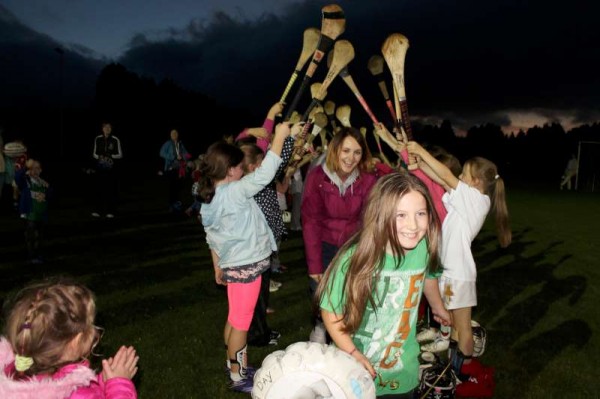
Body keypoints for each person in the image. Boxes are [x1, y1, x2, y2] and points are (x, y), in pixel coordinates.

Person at [317, 173, 451, 398]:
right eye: (401, 215)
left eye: (420, 214)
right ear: (380, 215)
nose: (413, 225)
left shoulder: (424, 247)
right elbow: (331, 310)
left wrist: (437, 307)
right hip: (354, 372)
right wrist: (352, 352)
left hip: (403, 371)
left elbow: (428, 277)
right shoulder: (355, 259)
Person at [407, 141, 511, 397]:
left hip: (458, 275)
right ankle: (456, 371)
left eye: (464, 174)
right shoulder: (468, 199)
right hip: (450, 273)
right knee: (455, 326)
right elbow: (443, 181)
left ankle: (463, 373)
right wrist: (420, 165)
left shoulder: (477, 200)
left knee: (462, 328)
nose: (460, 178)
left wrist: (421, 150)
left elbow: (445, 175)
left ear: (475, 182)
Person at [199, 122, 291, 393]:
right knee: (241, 322)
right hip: (247, 268)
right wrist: (281, 138)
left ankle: (233, 365)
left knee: (234, 317)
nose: (243, 170)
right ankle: (238, 376)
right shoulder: (235, 191)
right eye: (239, 167)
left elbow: (211, 238)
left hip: (233, 266)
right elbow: (265, 174)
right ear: (229, 170)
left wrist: (217, 267)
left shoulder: (209, 200)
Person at [0, 279, 138, 398]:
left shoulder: (15, 376)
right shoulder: (76, 393)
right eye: (90, 326)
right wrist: (120, 386)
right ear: (75, 342)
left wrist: (104, 382)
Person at [301, 127, 377, 343]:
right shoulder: (317, 177)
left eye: (357, 152)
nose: (351, 158)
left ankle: (344, 338)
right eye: (346, 151)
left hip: (354, 246)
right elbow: (310, 221)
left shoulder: (367, 179)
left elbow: (371, 216)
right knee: (322, 292)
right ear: (335, 149)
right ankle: (319, 329)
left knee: (351, 295)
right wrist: (314, 265)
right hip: (325, 245)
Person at [15, 159, 51, 264]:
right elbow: (17, 177)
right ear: (29, 170)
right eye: (33, 168)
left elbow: (51, 196)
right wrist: (26, 166)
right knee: (30, 237)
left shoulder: (43, 182)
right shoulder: (26, 182)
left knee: (40, 237)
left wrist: (47, 192)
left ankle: (39, 255)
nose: (35, 171)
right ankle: (31, 257)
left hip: (42, 215)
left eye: (38, 168)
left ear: (41, 170)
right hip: (30, 215)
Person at [92, 122, 122, 218]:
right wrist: (101, 158)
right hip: (100, 168)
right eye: (105, 127)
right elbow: (94, 154)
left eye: (109, 127)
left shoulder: (115, 139)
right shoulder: (98, 139)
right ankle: (98, 210)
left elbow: (120, 155)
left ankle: (110, 211)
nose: (107, 129)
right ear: (102, 129)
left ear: (111, 129)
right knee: (99, 189)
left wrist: (110, 156)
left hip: (111, 169)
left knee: (111, 190)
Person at [159, 129, 191, 212]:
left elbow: (186, 154)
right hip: (171, 168)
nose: (174, 135)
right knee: (172, 187)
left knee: (179, 187)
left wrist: (184, 157)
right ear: (170, 135)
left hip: (180, 168)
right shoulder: (168, 143)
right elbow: (161, 153)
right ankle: (171, 204)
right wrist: (173, 156)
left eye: (176, 133)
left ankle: (177, 204)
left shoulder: (180, 143)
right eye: (172, 133)